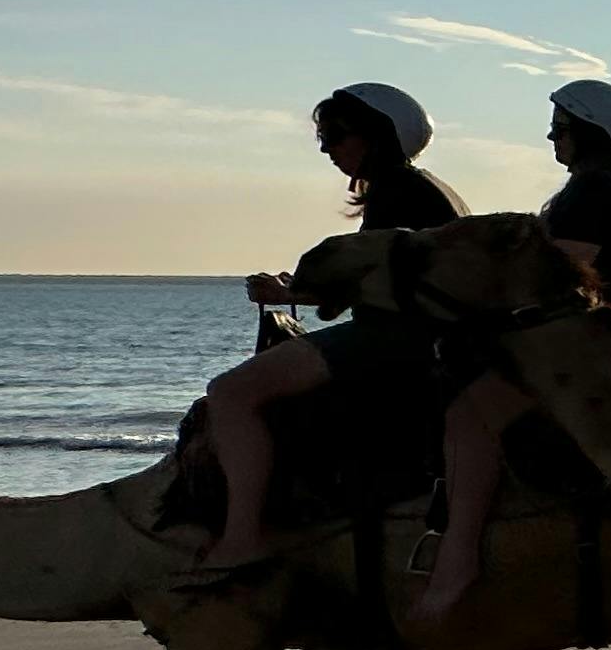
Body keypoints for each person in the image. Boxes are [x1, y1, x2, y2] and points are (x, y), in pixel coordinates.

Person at [407, 77, 611, 629]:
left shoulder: (597, 188)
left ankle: (457, 560)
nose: (551, 137)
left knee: (469, 413)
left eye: (560, 128)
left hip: (596, 346)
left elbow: (553, 279)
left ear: (586, 132)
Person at [189, 82, 467, 570]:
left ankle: (243, 537)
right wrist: (297, 290)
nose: (326, 148)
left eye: (337, 135)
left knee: (230, 394)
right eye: (324, 136)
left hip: (397, 342)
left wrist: (288, 295)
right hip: (422, 339)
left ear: (377, 136)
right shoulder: (420, 189)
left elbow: (373, 289)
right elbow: (379, 276)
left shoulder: (398, 193)